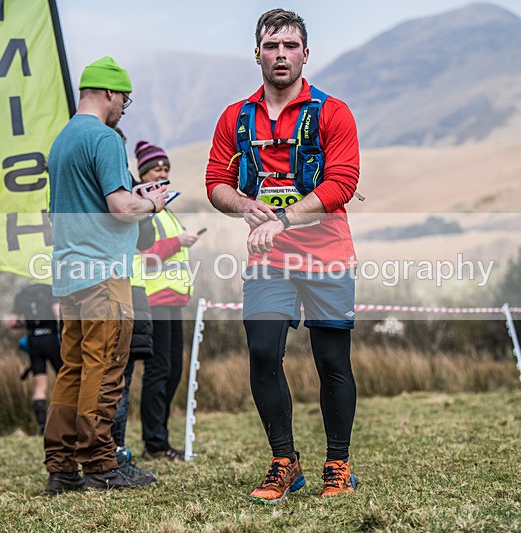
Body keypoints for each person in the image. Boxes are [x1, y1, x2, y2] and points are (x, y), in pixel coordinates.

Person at [205, 9, 361, 503]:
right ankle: (284, 462)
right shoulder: (236, 117)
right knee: (263, 351)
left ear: (305, 54)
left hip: (327, 254)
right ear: (257, 53)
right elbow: (215, 184)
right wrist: (245, 205)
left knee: (331, 360)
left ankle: (337, 465)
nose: (280, 55)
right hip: (268, 260)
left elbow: (343, 182)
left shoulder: (333, 112)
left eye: (290, 46)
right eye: (271, 46)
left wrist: (282, 219)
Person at [43, 56, 168, 495]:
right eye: (124, 101)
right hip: (104, 274)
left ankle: (60, 467)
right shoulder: (105, 138)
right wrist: (154, 203)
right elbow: (120, 207)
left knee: (72, 369)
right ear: (110, 94)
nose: (123, 110)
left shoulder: (62, 140)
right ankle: (100, 463)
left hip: (69, 273)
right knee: (106, 366)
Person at [134, 140, 199, 461]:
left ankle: (161, 437)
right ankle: (154, 444)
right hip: (153, 297)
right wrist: (178, 241)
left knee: (173, 370)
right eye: (156, 167)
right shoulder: (142, 205)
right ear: (143, 171)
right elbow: (142, 253)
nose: (163, 171)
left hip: (174, 299)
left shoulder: (165, 208)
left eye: (166, 167)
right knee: (158, 370)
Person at [109, 127, 156, 482]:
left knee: (91, 374)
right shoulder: (116, 180)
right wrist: (149, 205)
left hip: (78, 281)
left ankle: (80, 456)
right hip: (120, 284)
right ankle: (112, 453)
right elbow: (145, 238)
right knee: (118, 377)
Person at [8, 283, 63, 435]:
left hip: (34, 341)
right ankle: (65, 421)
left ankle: (42, 427)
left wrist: (28, 324)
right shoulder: (50, 290)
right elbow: (58, 315)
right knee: (65, 380)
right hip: (51, 339)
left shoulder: (21, 294)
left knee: (39, 386)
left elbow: (12, 322)